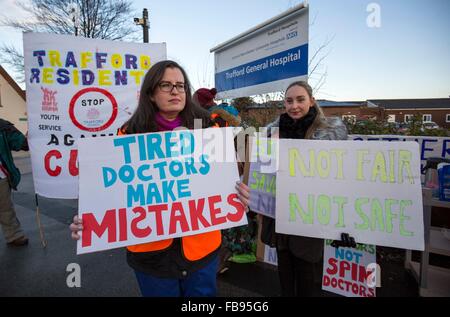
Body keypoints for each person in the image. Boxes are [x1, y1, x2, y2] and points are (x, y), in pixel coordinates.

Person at [70, 60, 250, 297]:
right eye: (166, 85)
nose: (175, 91)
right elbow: (114, 193)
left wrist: (238, 195)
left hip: (201, 251)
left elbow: (222, 184)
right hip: (151, 255)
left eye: (180, 85)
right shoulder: (128, 134)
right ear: (151, 94)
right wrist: (91, 219)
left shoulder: (208, 128)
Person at [260, 81, 355, 297]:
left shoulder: (329, 134)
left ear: (311, 101)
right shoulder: (274, 132)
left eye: (300, 99)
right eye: (289, 101)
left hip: (310, 218)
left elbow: (341, 180)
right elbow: (263, 172)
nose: (294, 106)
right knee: (285, 277)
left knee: (306, 279)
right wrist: (269, 147)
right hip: (280, 215)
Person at [193, 88, 256, 274]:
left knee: (218, 214)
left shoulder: (204, 117)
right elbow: (247, 133)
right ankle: (230, 252)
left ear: (199, 101)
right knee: (228, 210)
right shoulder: (227, 113)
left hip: (218, 168)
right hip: (234, 166)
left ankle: (220, 258)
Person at [0, 118, 29, 246]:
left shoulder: (2, 126)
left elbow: (21, 143)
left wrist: (34, 133)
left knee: (6, 208)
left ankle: (13, 235)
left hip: (1, 176)